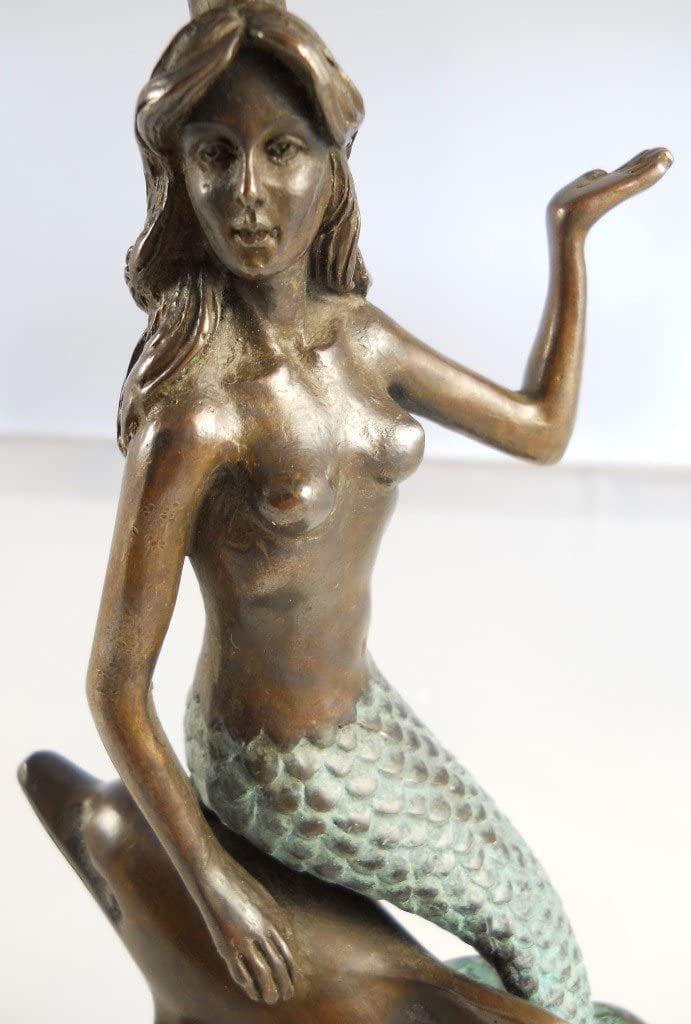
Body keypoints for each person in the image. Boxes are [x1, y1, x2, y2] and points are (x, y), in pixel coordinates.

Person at [86, 3, 671, 1023]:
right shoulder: (197, 416)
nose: (249, 194)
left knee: (539, 946)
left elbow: (539, 430)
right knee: (536, 954)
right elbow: (114, 686)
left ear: (334, 165)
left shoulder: (358, 338)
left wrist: (567, 240)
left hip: (363, 712)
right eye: (215, 154)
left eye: (283, 150)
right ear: (177, 174)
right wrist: (215, 886)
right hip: (273, 759)